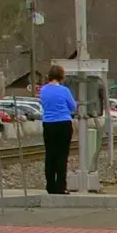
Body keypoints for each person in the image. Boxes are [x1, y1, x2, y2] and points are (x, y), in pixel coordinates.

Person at [39, 64, 79, 195]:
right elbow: (73, 106)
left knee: (50, 155)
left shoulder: (43, 90)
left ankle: (50, 186)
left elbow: (43, 104)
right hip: (63, 123)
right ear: (62, 76)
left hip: (48, 124)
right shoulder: (64, 90)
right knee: (62, 156)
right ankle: (60, 186)